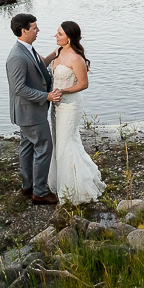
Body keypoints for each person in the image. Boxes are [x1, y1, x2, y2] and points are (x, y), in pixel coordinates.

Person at [44, 20, 106, 205]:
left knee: (66, 142)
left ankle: (74, 189)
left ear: (69, 38)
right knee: (58, 141)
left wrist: (63, 91)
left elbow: (83, 84)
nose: (56, 36)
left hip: (70, 106)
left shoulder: (76, 59)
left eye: (60, 34)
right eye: (57, 33)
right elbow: (41, 63)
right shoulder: (58, 52)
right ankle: (62, 183)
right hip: (56, 107)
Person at [6, 13, 63, 205]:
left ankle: (27, 186)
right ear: (24, 30)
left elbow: (38, 68)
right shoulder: (17, 56)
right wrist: (47, 96)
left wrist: (55, 55)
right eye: (34, 28)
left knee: (27, 148)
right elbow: (19, 88)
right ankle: (39, 192)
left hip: (28, 112)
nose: (38, 30)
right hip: (30, 112)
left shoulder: (27, 49)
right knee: (44, 147)